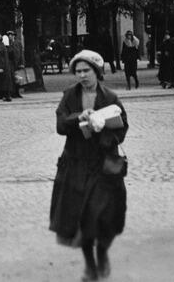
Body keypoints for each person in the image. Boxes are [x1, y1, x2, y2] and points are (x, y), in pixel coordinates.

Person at [50, 49, 128, 281]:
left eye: (86, 71)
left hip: (104, 166)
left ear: (96, 71)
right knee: (82, 218)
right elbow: (61, 125)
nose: (82, 75)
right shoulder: (69, 96)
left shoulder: (111, 98)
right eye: (78, 71)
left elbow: (122, 130)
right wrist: (79, 118)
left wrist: (102, 127)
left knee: (105, 217)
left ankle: (102, 253)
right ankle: (90, 265)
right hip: (76, 165)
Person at [5, 29, 23, 98]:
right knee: (12, 78)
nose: (10, 37)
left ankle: (17, 92)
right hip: (11, 63)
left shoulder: (18, 43)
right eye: (9, 35)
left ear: (14, 36)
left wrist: (22, 63)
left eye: (11, 35)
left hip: (17, 63)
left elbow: (21, 53)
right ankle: (13, 92)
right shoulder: (7, 43)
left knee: (18, 78)